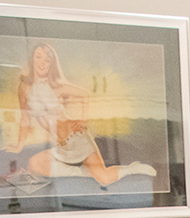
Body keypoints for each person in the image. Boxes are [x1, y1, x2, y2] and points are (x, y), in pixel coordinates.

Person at [9, 42, 155, 187]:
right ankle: (82, 172)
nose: (42, 63)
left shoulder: (57, 86)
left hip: (77, 137)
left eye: (47, 60)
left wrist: (83, 121)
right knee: (34, 164)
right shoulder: (24, 88)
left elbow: (85, 94)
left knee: (104, 178)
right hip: (62, 145)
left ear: (51, 64)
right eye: (38, 57)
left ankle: (132, 168)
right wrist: (19, 146)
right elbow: (25, 119)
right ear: (32, 59)